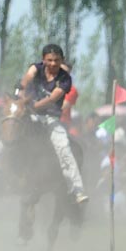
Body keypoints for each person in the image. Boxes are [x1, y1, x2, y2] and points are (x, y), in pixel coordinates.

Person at [18, 44, 88, 203]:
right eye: (49, 60)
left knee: (64, 147)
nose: (53, 64)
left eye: (57, 60)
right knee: (8, 133)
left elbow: (51, 100)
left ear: (62, 60)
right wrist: (21, 94)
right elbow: (26, 78)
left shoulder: (65, 79)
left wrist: (32, 105)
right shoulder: (36, 68)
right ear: (43, 60)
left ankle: (77, 190)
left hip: (50, 117)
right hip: (28, 113)